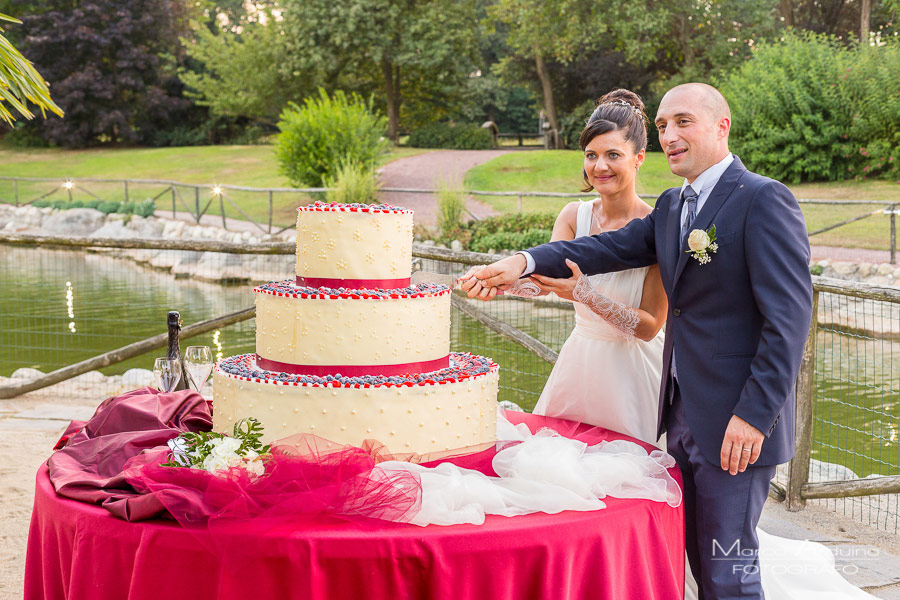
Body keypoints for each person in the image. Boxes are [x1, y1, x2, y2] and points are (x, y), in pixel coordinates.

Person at [461, 82, 814, 600]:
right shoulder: (672, 208)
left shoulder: (763, 198)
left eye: (684, 122)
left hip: (737, 427)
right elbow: (603, 247)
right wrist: (521, 262)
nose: (670, 134)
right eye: (665, 123)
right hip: (679, 417)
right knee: (689, 554)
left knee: (728, 568)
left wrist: (755, 416)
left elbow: (789, 319)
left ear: (723, 126)